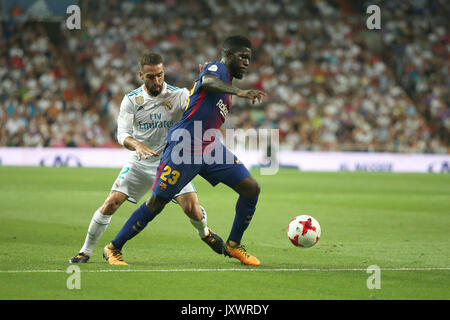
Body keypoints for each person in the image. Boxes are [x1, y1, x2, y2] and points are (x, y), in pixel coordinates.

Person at [103, 35, 267, 266]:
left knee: (251, 188)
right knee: (157, 203)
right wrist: (239, 92)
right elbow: (208, 82)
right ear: (229, 54)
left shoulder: (226, 82)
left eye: (249, 58)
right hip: (184, 145)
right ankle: (113, 248)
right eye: (242, 57)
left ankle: (233, 244)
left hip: (209, 145)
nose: (247, 62)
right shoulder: (216, 68)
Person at [69, 53, 229, 265]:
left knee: (192, 209)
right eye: (151, 77)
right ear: (141, 75)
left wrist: (202, 80)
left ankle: (205, 233)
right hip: (140, 161)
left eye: (160, 75)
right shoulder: (132, 100)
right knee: (111, 202)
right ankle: (85, 252)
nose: (157, 81)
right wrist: (137, 144)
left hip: (172, 161)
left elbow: (198, 105)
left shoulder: (178, 95)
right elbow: (122, 134)